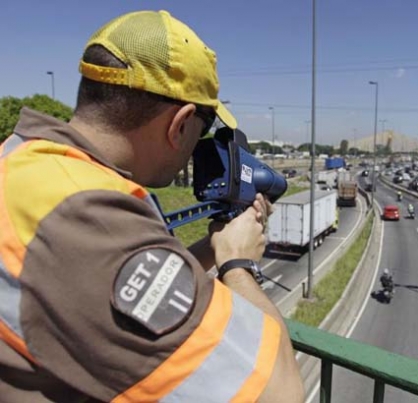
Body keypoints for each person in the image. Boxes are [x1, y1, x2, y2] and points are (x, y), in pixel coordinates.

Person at [0, 10, 304, 403]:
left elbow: (110, 294)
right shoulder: (88, 215)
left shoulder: (22, 160)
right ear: (179, 124)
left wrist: (214, 247)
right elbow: (278, 392)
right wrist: (237, 264)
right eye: (204, 128)